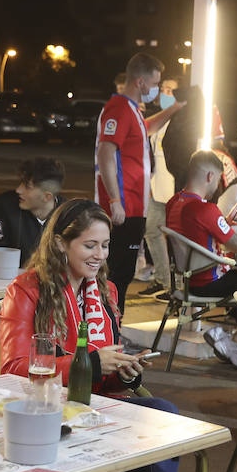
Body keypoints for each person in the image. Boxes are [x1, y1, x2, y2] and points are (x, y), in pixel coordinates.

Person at [0, 199, 193, 472]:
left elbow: (102, 377)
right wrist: (87, 360)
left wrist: (121, 368)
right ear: (61, 242)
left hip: (96, 412)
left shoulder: (104, 290)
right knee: (160, 428)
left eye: (106, 246)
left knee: (162, 426)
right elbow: (11, 370)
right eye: (90, 244)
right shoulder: (27, 288)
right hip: (46, 420)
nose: (100, 255)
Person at [164, 151, 237, 368]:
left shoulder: (174, 202)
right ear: (210, 176)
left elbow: (196, 233)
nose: (217, 185)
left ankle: (231, 339)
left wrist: (224, 221)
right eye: (218, 179)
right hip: (212, 282)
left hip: (189, 279)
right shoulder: (204, 208)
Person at [95, 52, 185, 314]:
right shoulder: (119, 108)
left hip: (134, 207)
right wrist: (114, 200)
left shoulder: (132, 110)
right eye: (155, 83)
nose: (156, 90)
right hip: (123, 209)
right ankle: (109, 335)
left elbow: (144, 128)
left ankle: (114, 331)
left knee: (121, 276)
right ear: (141, 82)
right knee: (116, 276)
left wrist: (174, 109)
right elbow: (106, 152)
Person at [0, 157, 65, 262]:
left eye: (27, 186)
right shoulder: (6, 205)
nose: (18, 190)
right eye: (21, 183)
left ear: (47, 197)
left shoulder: (69, 214)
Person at [139, 78, 182, 295]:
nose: (164, 93)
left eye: (170, 90)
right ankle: (163, 278)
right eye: (163, 89)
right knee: (151, 231)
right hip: (157, 186)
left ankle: (177, 286)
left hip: (174, 188)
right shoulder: (160, 118)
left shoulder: (181, 121)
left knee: (176, 237)